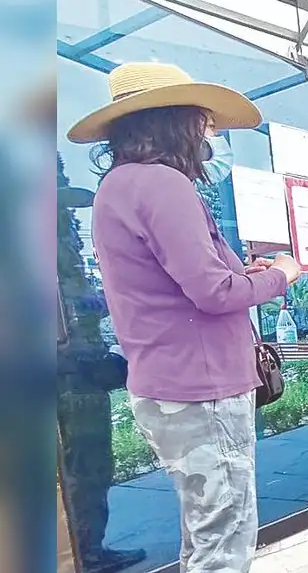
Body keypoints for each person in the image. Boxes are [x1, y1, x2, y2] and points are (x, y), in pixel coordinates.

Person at [72, 62, 302, 572]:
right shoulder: (161, 184)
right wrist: (282, 274)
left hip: (169, 385)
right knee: (226, 539)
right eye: (204, 119)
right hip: (203, 389)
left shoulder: (118, 187)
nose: (212, 132)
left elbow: (176, 285)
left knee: (206, 532)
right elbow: (215, 294)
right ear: (174, 120)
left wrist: (244, 272)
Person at [57, 172, 146, 573]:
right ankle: (84, 552)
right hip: (72, 375)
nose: (71, 216)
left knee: (89, 462)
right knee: (88, 463)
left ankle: (87, 548)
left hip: (79, 372)